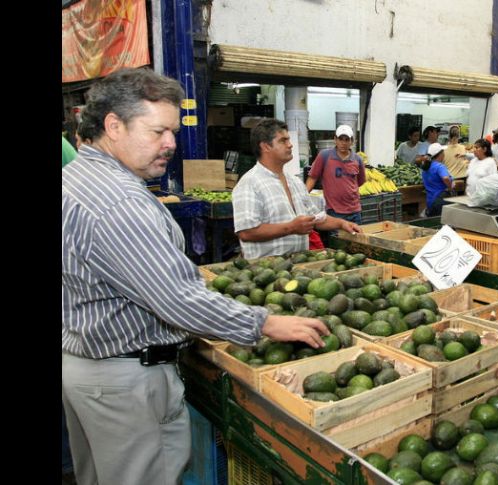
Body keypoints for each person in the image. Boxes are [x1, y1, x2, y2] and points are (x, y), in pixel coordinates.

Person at [62, 68, 330, 485]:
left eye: (173, 131)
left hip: (90, 366)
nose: (171, 143)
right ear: (113, 126)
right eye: (158, 131)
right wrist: (265, 322)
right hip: (125, 381)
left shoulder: (77, 178)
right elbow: (176, 299)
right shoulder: (118, 202)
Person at [233, 118, 361, 259]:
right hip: (265, 272)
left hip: (299, 268)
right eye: (283, 141)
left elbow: (316, 218)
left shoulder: (295, 182)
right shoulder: (250, 183)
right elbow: (246, 232)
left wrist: (342, 223)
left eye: (289, 140)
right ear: (265, 146)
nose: (290, 145)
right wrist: (291, 227)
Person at [305, 124, 366, 225]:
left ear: (352, 141)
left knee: (355, 240)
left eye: (347, 139)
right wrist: (302, 198)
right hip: (334, 212)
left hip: (355, 212)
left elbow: (360, 181)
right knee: (337, 240)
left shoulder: (357, 159)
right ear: (335, 139)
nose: (343, 143)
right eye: (340, 139)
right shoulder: (324, 156)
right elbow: (312, 178)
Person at [420, 142, 454, 216]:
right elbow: (445, 178)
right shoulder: (439, 166)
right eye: (443, 153)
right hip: (440, 202)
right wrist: (450, 188)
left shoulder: (425, 167)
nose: (444, 154)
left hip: (430, 202)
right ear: (440, 154)